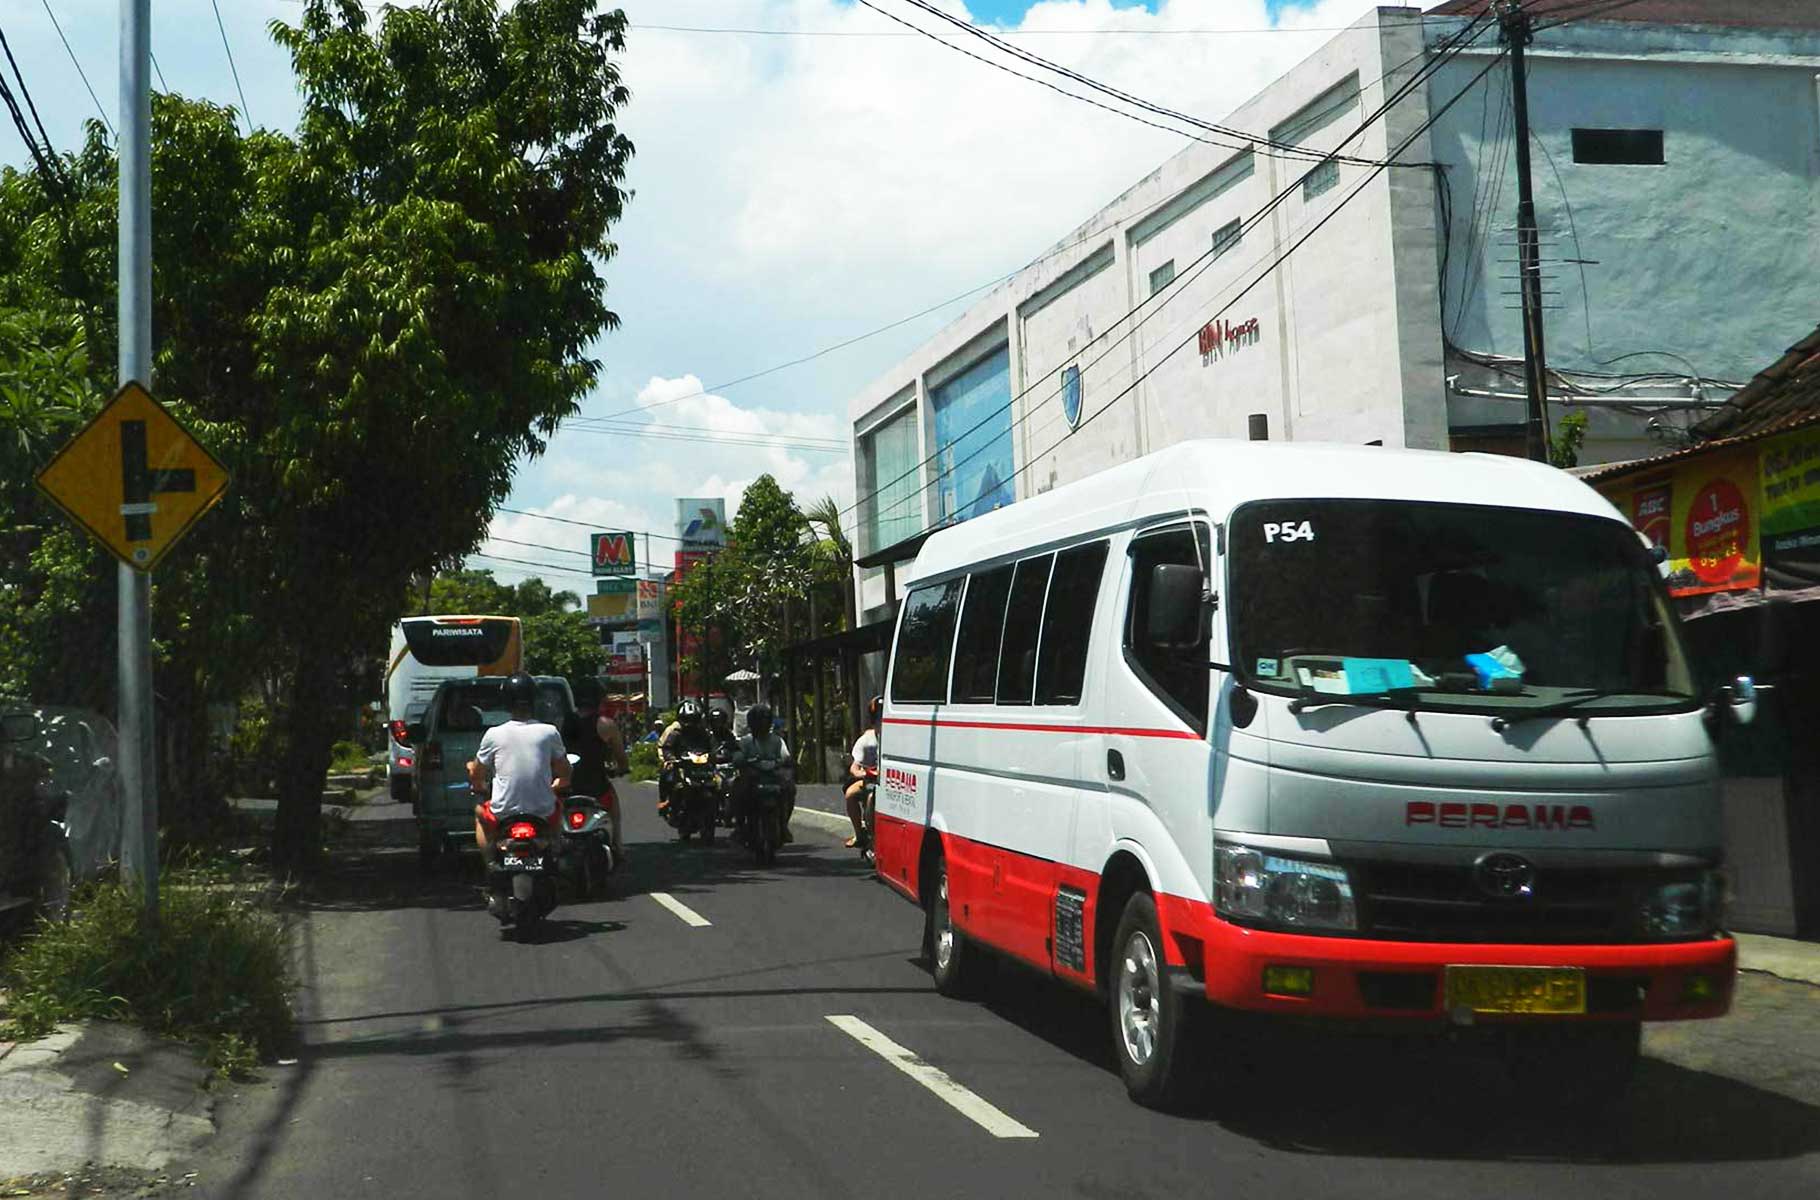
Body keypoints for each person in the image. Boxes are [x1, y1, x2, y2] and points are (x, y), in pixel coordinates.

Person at [468, 673, 569, 886]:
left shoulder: (493, 734)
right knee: (559, 808)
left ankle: (489, 863)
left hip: (503, 814)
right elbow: (565, 772)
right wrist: (559, 783)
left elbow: (476, 774)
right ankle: (555, 851)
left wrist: (478, 785)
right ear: (534, 700)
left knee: (479, 813)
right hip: (543, 812)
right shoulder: (549, 732)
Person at [564, 680, 629, 866]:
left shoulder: (565, 723)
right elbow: (621, 758)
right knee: (614, 807)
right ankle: (618, 845)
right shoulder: (606, 725)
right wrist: (621, 769)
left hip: (568, 787)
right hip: (596, 787)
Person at [732, 703, 795, 844]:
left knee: (789, 789)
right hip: (753, 777)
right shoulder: (746, 741)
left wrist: (786, 764)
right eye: (759, 720)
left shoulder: (777, 740)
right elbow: (738, 756)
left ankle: (783, 824)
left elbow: (785, 756)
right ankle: (740, 825)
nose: (762, 723)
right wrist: (740, 760)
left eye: (765, 720)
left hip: (773, 777)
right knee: (736, 789)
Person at [657, 699, 713, 813]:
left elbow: (712, 746)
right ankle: (665, 800)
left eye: (694, 719)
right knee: (666, 772)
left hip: (700, 764)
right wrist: (671, 759)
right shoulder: (675, 732)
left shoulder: (703, 733)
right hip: (680, 763)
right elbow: (667, 748)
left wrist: (716, 756)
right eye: (687, 720)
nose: (690, 723)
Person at [844, 695, 882, 851]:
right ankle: (859, 834)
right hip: (871, 780)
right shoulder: (866, 740)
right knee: (850, 794)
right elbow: (854, 767)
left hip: (890, 780)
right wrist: (864, 774)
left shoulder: (897, 737)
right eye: (879, 718)